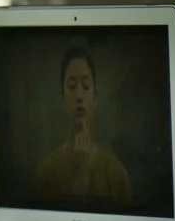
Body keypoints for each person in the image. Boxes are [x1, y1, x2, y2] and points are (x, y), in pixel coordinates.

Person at [33, 45, 132, 211]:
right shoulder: (47, 173)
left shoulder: (117, 174)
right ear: (62, 98)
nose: (79, 96)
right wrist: (80, 177)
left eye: (86, 87)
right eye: (71, 86)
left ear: (95, 98)